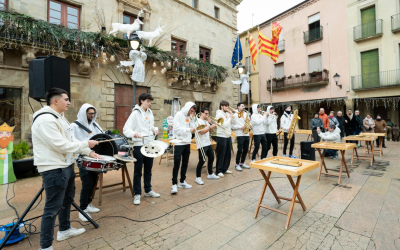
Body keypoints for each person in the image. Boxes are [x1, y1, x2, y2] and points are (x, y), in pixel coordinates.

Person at [32, 88, 101, 250]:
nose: (69, 102)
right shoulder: (46, 120)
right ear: (55, 101)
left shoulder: (61, 118)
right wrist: (86, 144)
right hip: (54, 169)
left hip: (66, 166)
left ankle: (64, 229)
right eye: (66, 99)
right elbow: (61, 145)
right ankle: (46, 246)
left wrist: (88, 151)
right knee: (52, 208)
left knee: (66, 200)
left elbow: (71, 140)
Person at [123, 93, 160, 205]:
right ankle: (137, 193)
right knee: (138, 170)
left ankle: (148, 190)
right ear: (141, 101)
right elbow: (126, 129)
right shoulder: (135, 114)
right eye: (148, 101)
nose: (149, 103)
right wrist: (134, 133)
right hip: (139, 145)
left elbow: (150, 126)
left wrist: (155, 129)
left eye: (150, 101)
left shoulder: (150, 112)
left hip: (149, 145)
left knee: (148, 169)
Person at [71, 104, 103, 221]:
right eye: (90, 113)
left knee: (94, 182)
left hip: (94, 157)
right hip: (83, 159)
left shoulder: (94, 125)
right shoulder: (74, 126)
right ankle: (82, 209)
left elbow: (101, 136)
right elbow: (73, 143)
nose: (92, 116)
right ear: (84, 113)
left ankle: (88, 204)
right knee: (87, 184)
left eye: (93, 113)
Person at [171, 101, 196, 193]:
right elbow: (177, 129)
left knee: (185, 162)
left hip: (187, 142)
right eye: (191, 110)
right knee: (177, 163)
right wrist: (189, 129)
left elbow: (193, 128)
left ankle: (182, 181)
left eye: (193, 111)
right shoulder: (179, 114)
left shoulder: (190, 116)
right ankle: (174, 184)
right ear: (187, 108)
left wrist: (193, 119)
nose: (191, 112)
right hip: (179, 142)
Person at [194, 107, 219, 184]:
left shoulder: (206, 121)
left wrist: (211, 124)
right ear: (201, 113)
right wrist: (209, 127)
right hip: (201, 143)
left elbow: (212, 131)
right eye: (205, 113)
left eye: (208, 113)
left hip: (207, 143)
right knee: (202, 161)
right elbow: (201, 132)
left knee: (211, 158)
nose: (207, 115)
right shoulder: (198, 121)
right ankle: (198, 177)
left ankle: (210, 173)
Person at [215, 101, 234, 177]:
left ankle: (225, 168)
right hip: (221, 136)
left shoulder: (226, 114)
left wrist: (232, 116)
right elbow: (224, 125)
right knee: (221, 154)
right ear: (221, 106)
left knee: (228, 154)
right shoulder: (219, 114)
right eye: (226, 106)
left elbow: (232, 123)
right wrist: (230, 118)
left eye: (228, 106)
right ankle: (218, 170)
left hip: (228, 135)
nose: (227, 107)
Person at [232, 102, 251, 171]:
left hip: (246, 134)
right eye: (242, 106)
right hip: (240, 134)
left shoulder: (246, 114)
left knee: (246, 149)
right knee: (240, 150)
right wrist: (240, 127)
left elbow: (248, 123)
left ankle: (242, 163)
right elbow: (232, 126)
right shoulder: (234, 115)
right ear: (238, 107)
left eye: (244, 106)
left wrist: (249, 122)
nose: (243, 107)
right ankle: (237, 164)